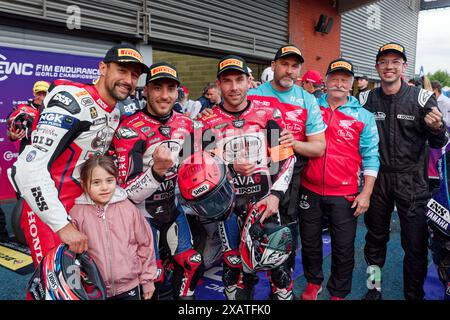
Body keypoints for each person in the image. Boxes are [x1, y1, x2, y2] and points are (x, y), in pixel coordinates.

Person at [7, 44, 149, 266]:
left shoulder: (115, 112)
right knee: (55, 289)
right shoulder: (72, 99)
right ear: (103, 68)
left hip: (83, 211)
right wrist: (62, 225)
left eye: (134, 75)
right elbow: (25, 169)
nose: (128, 80)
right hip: (49, 215)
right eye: (122, 70)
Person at [198, 55, 296, 300]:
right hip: (227, 209)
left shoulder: (268, 113)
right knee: (233, 272)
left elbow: (286, 158)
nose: (234, 87)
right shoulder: (204, 121)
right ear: (218, 85)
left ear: (248, 81)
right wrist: (229, 166)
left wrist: (275, 197)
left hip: (265, 204)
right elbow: (194, 167)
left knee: (279, 273)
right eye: (227, 81)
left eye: (239, 80)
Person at [359, 42, 449, 300]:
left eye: (395, 62)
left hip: (413, 181)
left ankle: (413, 294)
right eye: (384, 62)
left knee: (415, 246)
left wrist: (436, 128)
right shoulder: (365, 99)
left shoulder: (421, 97)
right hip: (378, 179)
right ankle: (373, 288)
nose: (389, 67)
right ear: (377, 66)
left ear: (404, 66)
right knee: (374, 241)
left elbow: (439, 143)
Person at [111, 62, 203, 300]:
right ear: (146, 90)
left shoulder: (187, 123)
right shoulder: (129, 130)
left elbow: (201, 164)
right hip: (142, 215)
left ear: (178, 92)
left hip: (175, 208)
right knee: (153, 278)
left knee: (192, 264)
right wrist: (157, 171)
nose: (164, 96)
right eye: (157, 88)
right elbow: (128, 193)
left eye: (170, 89)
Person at [297, 58, 379, 300]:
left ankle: (339, 291)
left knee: (343, 247)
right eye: (335, 78)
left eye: (345, 80)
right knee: (310, 242)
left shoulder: (364, 116)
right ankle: (313, 282)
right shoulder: (310, 107)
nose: (339, 84)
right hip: (308, 189)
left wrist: (366, 193)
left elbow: (371, 156)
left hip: (345, 193)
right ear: (326, 81)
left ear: (351, 84)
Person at [246, 44, 327, 286]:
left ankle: (282, 281)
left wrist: (294, 144)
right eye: (284, 64)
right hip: (255, 172)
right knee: (251, 229)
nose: (289, 71)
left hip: (291, 175)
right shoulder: (253, 94)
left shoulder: (307, 99)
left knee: (286, 231)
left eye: (295, 66)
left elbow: (318, 147)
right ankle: (247, 280)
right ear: (273, 66)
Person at [69, 155, 156, 300]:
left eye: (109, 181)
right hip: (94, 289)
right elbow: (71, 256)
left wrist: (147, 281)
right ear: (84, 185)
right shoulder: (77, 213)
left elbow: (145, 245)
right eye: (96, 183)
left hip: (130, 287)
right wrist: (75, 286)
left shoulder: (128, 208)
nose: (104, 187)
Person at [7, 80, 50, 153]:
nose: (42, 97)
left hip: (46, 148)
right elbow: (9, 129)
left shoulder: (52, 110)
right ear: (34, 93)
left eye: (44, 94)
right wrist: (12, 136)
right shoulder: (22, 109)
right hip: (27, 147)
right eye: (39, 94)